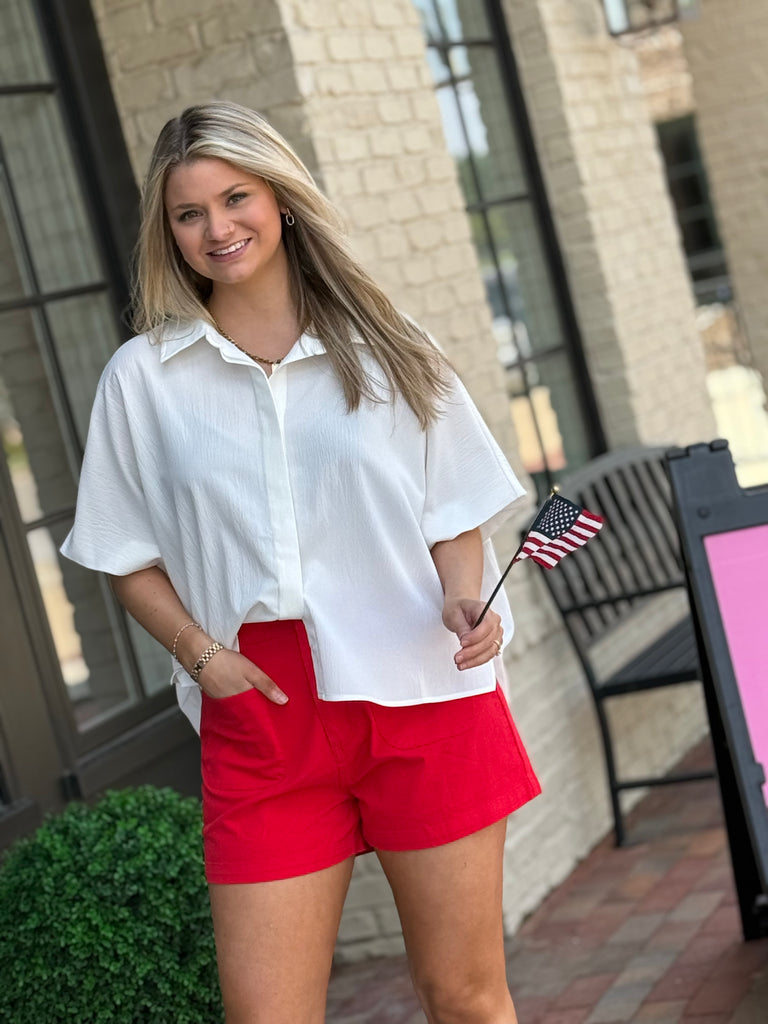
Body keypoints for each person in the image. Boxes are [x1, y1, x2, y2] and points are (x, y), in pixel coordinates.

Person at [61, 101, 540, 1024]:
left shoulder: (391, 346)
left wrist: (462, 596)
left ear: (280, 197)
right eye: (188, 213)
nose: (216, 229)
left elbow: (453, 511)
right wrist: (204, 657)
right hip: (262, 705)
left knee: (465, 996)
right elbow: (124, 556)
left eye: (234, 198)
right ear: (168, 232)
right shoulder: (144, 380)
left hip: (418, 683)